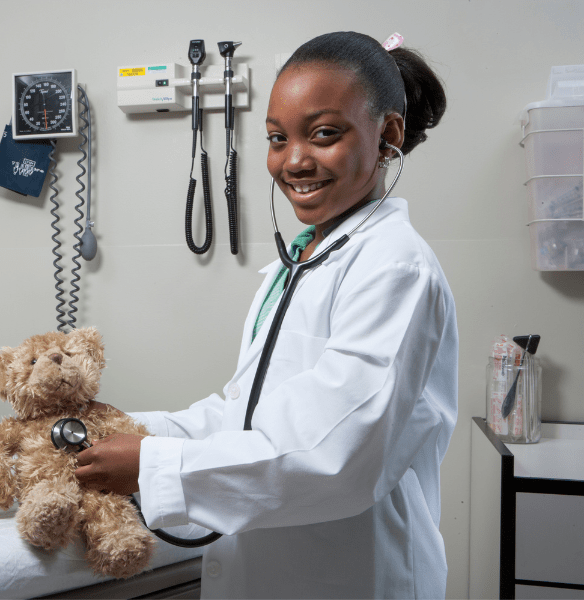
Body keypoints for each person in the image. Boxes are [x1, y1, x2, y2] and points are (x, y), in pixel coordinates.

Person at [76, 31, 456, 599]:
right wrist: (130, 428)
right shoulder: (305, 257)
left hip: (352, 574)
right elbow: (248, 412)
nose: (294, 160)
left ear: (388, 135)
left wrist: (154, 466)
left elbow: (338, 455)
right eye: (278, 139)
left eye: (324, 134)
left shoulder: (395, 267)